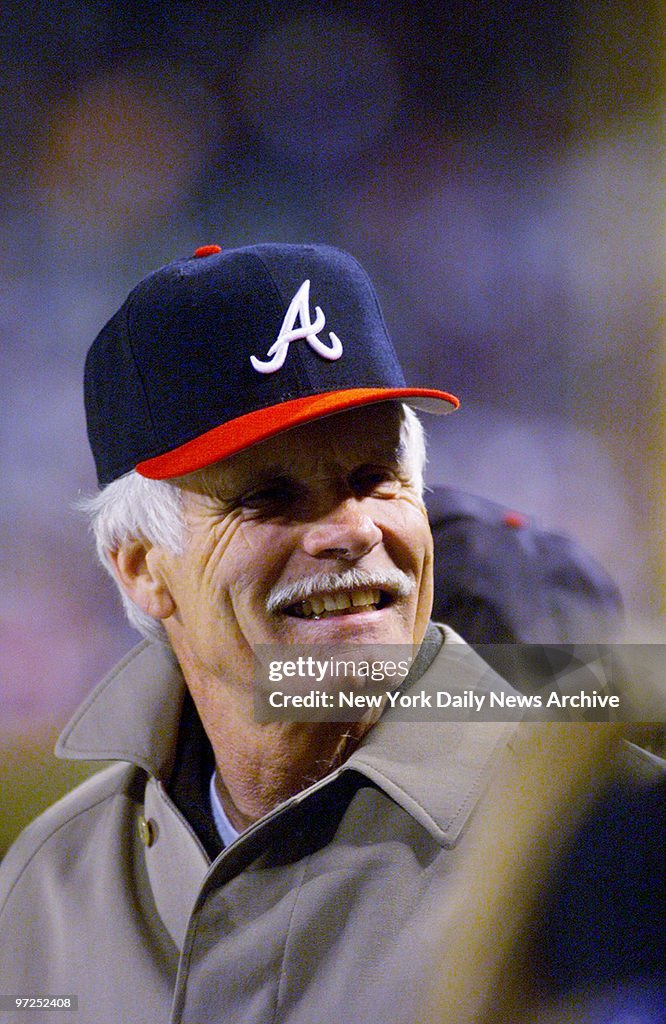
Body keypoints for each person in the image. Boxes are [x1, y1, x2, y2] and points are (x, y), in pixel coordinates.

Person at [0, 243, 613, 1023]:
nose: (349, 531)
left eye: (374, 478)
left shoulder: (587, 844)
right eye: (269, 497)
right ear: (142, 568)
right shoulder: (51, 881)